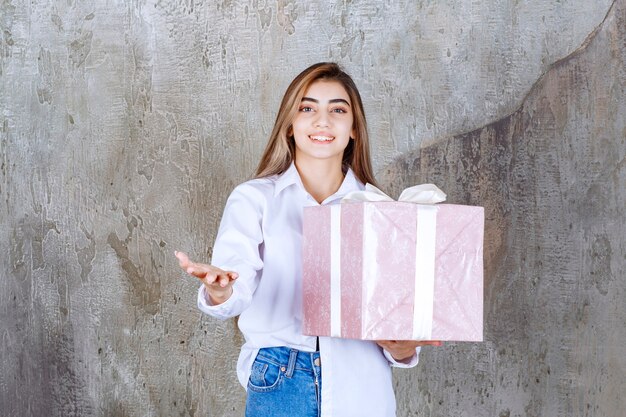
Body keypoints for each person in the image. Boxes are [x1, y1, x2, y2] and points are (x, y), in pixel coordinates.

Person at [175, 62, 441, 417]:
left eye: (338, 110)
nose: (322, 120)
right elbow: (235, 281)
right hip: (281, 380)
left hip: (361, 385)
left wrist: (404, 347)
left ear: (354, 130)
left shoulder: (382, 210)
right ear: (290, 125)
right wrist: (220, 290)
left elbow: (395, 326)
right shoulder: (254, 199)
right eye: (307, 108)